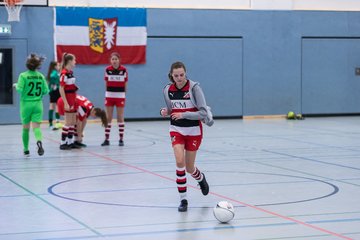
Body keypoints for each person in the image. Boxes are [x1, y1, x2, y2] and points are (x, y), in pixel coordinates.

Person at [160, 61, 214, 212]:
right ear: (172, 75)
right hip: (176, 129)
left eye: (182, 75)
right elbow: (171, 110)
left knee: (190, 167)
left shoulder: (194, 88)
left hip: (193, 131)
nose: (179, 78)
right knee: (179, 161)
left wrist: (183, 114)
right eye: (176, 75)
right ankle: (183, 200)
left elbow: (203, 113)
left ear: (185, 73)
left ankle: (200, 178)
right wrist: (164, 112)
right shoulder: (167, 90)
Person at [14, 53, 49, 156]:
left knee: (25, 128)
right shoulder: (41, 76)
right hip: (38, 104)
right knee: (36, 127)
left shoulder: (23, 75)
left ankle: (26, 149)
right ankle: (39, 140)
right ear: (37, 65)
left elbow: (20, 90)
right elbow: (46, 91)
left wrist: (15, 85)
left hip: (26, 105)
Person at [101, 52, 128, 147]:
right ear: (110, 60)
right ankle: (106, 139)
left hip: (120, 96)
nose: (114, 61)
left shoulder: (124, 70)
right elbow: (106, 83)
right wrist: (107, 94)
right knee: (108, 117)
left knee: (120, 117)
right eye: (113, 59)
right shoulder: (107, 70)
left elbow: (125, 84)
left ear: (119, 60)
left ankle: (121, 139)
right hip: (109, 96)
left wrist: (124, 95)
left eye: (116, 59)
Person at [59, 53, 79, 150]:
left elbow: (69, 85)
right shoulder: (64, 73)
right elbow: (61, 89)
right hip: (67, 99)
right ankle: (63, 143)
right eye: (74, 60)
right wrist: (66, 102)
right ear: (70, 61)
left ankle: (70, 142)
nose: (75, 62)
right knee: (67, 122)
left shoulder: (70, 72)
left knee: (72, 122)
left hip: (72, 98)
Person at [46, 61, 61, 130]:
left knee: (52, 106)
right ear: (55, 66)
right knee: (57, 106)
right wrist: (56, 84)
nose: (59, 67)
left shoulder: (51, 73)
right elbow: (54, 80)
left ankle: (51, 123)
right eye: (58, 65)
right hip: (55, 91)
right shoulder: (54, 74)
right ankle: (57, 122)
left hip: (52, 91)